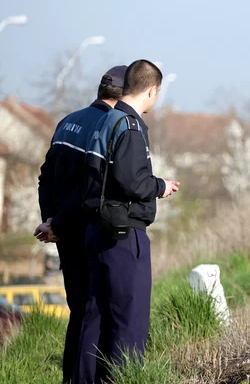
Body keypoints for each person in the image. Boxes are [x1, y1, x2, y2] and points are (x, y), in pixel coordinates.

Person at [73, 59, 180, 383]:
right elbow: (132, 180)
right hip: (122, 233)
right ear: (151, 90)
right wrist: (161, 186)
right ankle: (124, 378)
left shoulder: (105, 122)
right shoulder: (129, 127)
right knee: (129, 319)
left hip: (95, 230)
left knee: (94, 316)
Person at [35, 65, 127, 383]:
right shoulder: (108, 125)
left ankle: (71, 377)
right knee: (95, 312)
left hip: (61, 231)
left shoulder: (67, 122)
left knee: (79, 310)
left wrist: (50, 221)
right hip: (86, 230)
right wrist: (60, 223)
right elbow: (87, 189)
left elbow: (45, 178)